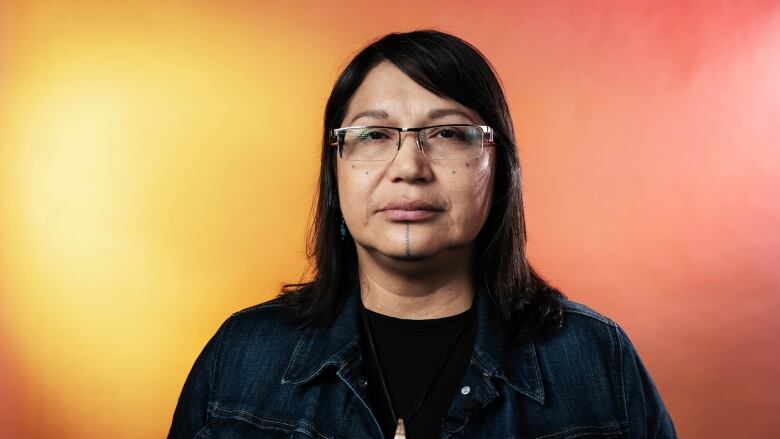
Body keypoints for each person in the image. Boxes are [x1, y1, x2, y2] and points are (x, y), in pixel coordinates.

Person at [167, 29, 678, 439]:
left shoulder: (594, 361)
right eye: (373, 134)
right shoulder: (240, 358)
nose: (409, 166)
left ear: (497, 168)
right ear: (336, 168)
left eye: (448, 133)